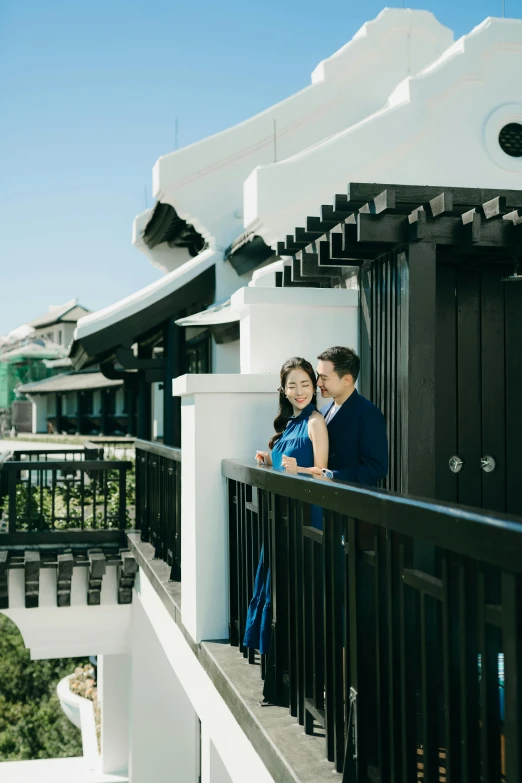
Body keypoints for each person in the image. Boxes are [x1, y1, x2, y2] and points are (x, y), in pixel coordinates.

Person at [244, 357, 328, 658]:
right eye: (292, 385)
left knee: (299, 582)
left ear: (314, 386)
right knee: (274, 576)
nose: (299, 391)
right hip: (282, 514)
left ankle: (296, 655)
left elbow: (323, 471)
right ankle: (275, 652)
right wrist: (270, 460)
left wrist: (300, 470)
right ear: (284, 389)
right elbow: (286, 464)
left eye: (305, 384)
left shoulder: (315, 421)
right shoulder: (289, 423)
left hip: (305, 514)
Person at [313, 346, 388, 485]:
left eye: (324, 378)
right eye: (318, 376)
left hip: (349, 501)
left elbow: (377, 468)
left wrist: (331, 475)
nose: (318, 383)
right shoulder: (323, 411)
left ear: (347, 380)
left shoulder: (368, 414)